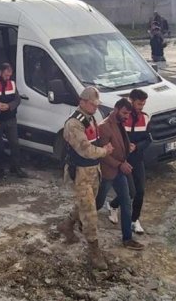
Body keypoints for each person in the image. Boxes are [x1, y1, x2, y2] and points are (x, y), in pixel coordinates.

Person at [56, 86, 114, 270]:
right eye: (92, 104)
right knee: (90, 212)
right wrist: (105, 152)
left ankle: (67, 224)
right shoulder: (74, 124)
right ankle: (94, 251)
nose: (95, 107)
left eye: (97, 105)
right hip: (81, 172)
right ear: (82, 101)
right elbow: (86, 150)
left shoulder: (90, 118)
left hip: (93, 171)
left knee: (85, 203)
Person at [94, 98, 144, 251]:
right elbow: (103, 154)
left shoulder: (120, 123)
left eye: (128, 114)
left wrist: (127, 148)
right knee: (97, 202)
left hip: (120, 171)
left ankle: (127, 238)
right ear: (115, 109)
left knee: (127, 201)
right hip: (108, 172)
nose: (126, 117)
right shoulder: (104, 127)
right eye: (124, 113)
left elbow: (119, 144)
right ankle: (78, 219)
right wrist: (119, 164)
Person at [106, 88, 150, 234]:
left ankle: (134, 220)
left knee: (141, 191)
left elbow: (148, 139)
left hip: (137, 159)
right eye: (139, 104)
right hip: (123, 160)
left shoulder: (145, 118)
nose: (141, 107)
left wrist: (136, 146)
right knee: (131, 192)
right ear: (131, 101)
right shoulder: (121, 118)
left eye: (143, 104)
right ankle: (113, 205)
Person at [0, 63, 27, 178]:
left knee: (15, 144)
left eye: (9, 75)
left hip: (11, 119)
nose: (8, 77)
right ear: (0, 72)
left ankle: (15, 168)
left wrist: (9, 106)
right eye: (6, 75)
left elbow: (17, 99)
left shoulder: (12, 83)